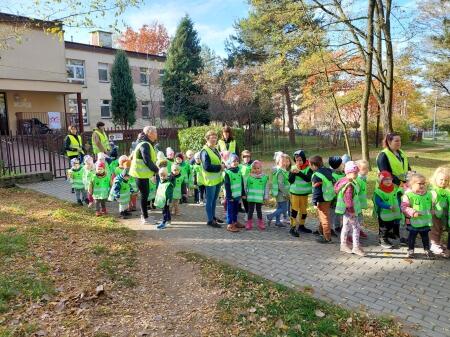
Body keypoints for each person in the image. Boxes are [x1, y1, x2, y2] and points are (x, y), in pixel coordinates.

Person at [129, 126, 159, 224]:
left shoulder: (146, 143)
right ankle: (145, 218)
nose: (156, 134)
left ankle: (145, 216)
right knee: (144, 195)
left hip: (142, 174)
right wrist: (156, 170)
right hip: (140, 174)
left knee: (145, 195)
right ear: (149, 133)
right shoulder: (145, 144)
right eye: (155, 132)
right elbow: (147, 160)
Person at [335, 161, 365, 256]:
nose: (356, 174)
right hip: (350, 211)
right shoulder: (349, 185)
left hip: (346, 211)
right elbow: (348, 200)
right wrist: (351, 211)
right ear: (348, 172)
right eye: (355, 173)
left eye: (357, 172)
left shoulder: (344, 181)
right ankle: (356, 247)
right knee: (356, 228)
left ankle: (343, 245)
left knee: (346, 226)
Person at [401, 173, 433, 259]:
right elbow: (404, 207)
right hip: (414, 221)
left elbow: (430, 204)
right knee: (412, 237)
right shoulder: (408, 195)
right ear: (412, 184)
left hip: (425, 221)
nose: (422, 185)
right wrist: (413, 212)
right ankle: (410, 250)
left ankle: (427, 249)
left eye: (423, 183)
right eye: (419, 183)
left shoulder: (428, 194)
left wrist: (432, 210)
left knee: (425, 237)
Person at [200, 130, 225, 228]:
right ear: (207, 139)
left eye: (215, 137)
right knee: (209, 201)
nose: (214, 139)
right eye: (212, 137)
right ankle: (210, 220)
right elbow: (207, 167)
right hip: (210, 181)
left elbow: (218, 160)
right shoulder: (204, 151)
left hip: (217, 179)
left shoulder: (215, 149)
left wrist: (222, 164)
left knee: (214, 200)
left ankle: (213, 217)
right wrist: (220, 167)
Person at [373, 171, 402, 249]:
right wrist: (387, 206)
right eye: (385, 179)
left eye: (389, 179)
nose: (388, 181)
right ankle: (382, 240)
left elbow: (398, 197)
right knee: (384, 227)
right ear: (381, 181)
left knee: (390, 226)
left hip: (393, 213)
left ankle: (388, 236)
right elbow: (378, 202)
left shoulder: (395, 188)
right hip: (384, 214)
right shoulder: (379, 191)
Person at [310, 155, 335, 243]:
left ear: (313, 165)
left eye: (310, 165)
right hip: (329, 197)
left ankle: (327, 238)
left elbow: (317, 190)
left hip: (322, 199)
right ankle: (321, 231)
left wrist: (314, 202)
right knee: (323, 215)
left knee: (324, 218)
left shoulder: (316, 175)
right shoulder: (328, 170)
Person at [288, 150, 313, 237]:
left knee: (303, 211)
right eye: (297, 160)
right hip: (294, 194)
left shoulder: (308, 168)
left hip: (304, 194)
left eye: (300, 160)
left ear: (304, 159)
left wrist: (299, 173)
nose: (298, 162)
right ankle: (293, 227)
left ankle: (301, 226)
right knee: (294, 211)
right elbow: (290, 180)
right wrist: (293, 174)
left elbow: (308, 179)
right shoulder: (293, 167)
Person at [429, 167, 450, 257]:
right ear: (436, 179)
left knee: (441, 229)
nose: (443, 182)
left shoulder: (447, 191)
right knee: (435, 229)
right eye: (441, 179)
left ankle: (438, 242)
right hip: (435, 214)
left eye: (446, 180)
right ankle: (433, 244)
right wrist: (431, 209)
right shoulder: (433, 190)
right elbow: (429, 201)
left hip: (443, 214)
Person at [267, 152, 290, 227]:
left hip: (280, 193)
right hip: (282, 193)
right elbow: (280, 185)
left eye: (286, 161)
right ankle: (270, 216)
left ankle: (277, 222)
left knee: (279, 207)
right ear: (278, 162)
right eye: (282, 161)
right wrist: (286, 193)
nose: (284, 163)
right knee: (284, 208)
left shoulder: (283, 170)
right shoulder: (280, 172)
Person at [224, 154, 246, 232]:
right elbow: (227, 186)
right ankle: (230, 224)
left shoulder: (239, 171)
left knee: (236, 210)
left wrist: (243, 194)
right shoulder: (228, 173)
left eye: (237, 161)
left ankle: (235, 222)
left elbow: (241, 183)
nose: (236, 162)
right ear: (229, 162)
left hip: (237, 195)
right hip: (231, 197)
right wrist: (229, 197)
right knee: (230, 210)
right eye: (234, 161)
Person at [245, 160, 269, 231]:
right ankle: (249, 223)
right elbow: (246, 187)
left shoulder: (264, 178)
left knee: (259, 210)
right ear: (251, 169)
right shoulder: (249, 177)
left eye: (258, 168)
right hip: (251, 198)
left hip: (259, 198)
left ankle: (260, 223)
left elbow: (266, 187)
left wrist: (266, 196)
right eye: (254, 168)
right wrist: (245, 194)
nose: (256, 170)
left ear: (261, 169)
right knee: (250, 210)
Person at [329, 156, 344, 235]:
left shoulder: (343, 173)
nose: (343, 164)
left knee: (338, 213)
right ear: (337, 166)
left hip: (341, 198)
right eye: (341, 163)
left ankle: (337, 226)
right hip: (334, 199)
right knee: (332, 214)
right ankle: (330, 228)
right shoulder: (332, 176)